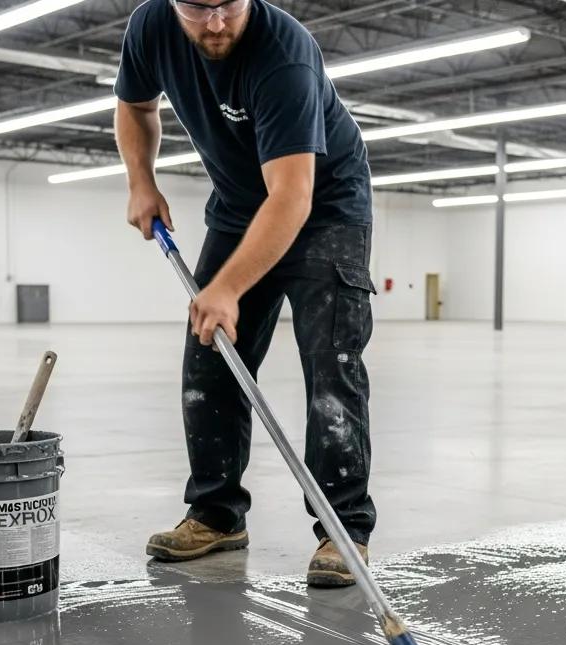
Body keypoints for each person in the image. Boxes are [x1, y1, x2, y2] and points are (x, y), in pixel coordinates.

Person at [114, 0, 377, 587]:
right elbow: (134, 105)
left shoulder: (283, 56)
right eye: (196, 8)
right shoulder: (150, 26)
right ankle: (216, 513)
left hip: (324, 210)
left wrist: (228, 287)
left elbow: (291, 197)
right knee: (209, 360)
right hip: (238, 209)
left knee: (330, 370)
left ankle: (343, 529)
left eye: (227, 5)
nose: (214, 23)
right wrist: (141, 181)